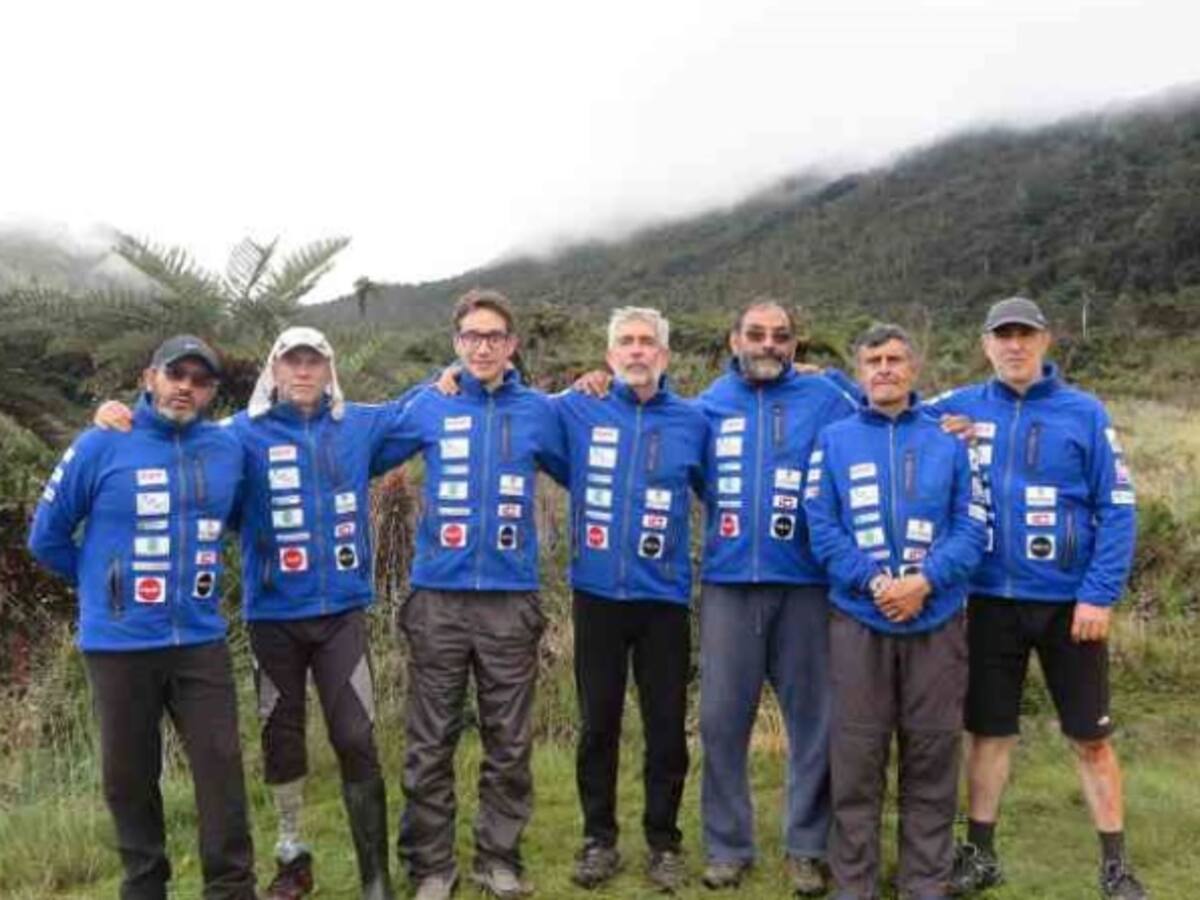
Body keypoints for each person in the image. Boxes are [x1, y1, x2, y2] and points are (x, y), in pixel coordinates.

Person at [94, 326, 417, 900]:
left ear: (329, 369)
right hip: (271, 617)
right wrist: (118, 415)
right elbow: (178, 440)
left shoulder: (360, 424)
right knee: (280, 740)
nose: (303, 371)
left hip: (343, 613)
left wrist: (452, 377)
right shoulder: (237, 436)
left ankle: (376, 878)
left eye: (313, 361)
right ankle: (293, 859)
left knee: (355, 736)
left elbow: (424, 411)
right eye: (291, 361)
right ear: (274, 369)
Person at [28, 335, 257, 900]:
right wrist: (106, 587)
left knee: (221, 771)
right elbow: (46, 537)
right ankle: (145, 888)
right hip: (119, 645)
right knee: (130, 780)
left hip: (199, 640)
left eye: (200, 380)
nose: (186, 386)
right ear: (150, 378)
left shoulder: (227, 450)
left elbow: (244, 519)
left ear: (211, 393)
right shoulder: (100, 444)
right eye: (175, 373)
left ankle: (231, 889)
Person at [931, 297, 1145, 899]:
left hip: (1069, 605)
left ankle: (1115, 866)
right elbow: (887, 411)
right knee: (989, 733)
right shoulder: (958, 408)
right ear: (985, 345)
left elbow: (1117, 509)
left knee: (1090, 737)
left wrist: (1099, 595)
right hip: (988, 601)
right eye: (1003, 337)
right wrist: (827, 386)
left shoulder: (1084, 413)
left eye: (1025, 335)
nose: (1014, 346)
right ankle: (981, 855)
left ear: (1046, 342)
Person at [382, 289, 569, 900]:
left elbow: (585, 466)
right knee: (429, 741)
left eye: (493, 336)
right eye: (471, 337)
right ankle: (432, 867)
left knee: (508, 741)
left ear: (511, 345)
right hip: (437, 599)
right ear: (456, 344)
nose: (482, 346)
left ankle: (498, 859)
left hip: (511, 601)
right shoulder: (430, 404)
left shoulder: (541, 412)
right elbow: (360, 441)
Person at [805, 324, 986, 900]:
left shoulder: (950, 441)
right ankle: (852, 882)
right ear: (860, 371)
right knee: (857, 756)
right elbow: (822, 525)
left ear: (913, 369)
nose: (884, 368)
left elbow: (973, 526)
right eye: (873, 360)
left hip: (937, 620)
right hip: (859, 618)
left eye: (895, 359)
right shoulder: (833, 440)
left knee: (932, 753)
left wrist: (925, 581)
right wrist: (877, 581)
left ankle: (923, 881)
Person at [694, 298, 858, 895]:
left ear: (795, 344)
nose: (769, 344)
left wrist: (953, 424)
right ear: (735, 338)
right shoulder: (705, 406)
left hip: (808, 587)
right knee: (720, 722)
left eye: (781, 336)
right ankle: (728, 846)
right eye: (757, 334)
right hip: (729, 587)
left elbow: (892, 405)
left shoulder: (827, 398)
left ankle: (808, 848)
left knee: (814, 720)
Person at [555, 307, 708, 893]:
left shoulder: (693, 421)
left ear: (664, 356)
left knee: (666, 726)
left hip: (663, 600)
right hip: (595, 597)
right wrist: (448, 379)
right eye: (626, 342)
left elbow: (723, 489)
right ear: (610, 354)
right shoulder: (577, 407)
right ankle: (599, 838)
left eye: (648, 342)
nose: (638, 351)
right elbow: (505, 402)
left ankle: (664, 842)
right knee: (598, 724)